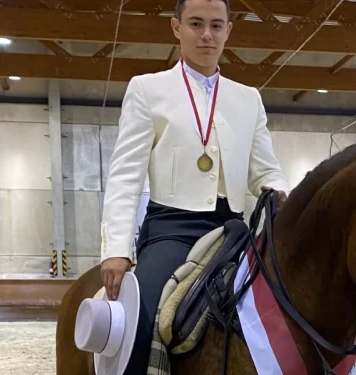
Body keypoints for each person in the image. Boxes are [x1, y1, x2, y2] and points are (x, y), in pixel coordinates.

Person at [98, 0, 290, 371]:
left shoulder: (248, 98)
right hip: (173, 230)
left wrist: (278, 189)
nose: (206, 35)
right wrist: (116, 249)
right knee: (140, 319)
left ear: (228, 31)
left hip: (235, 231)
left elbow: (265, 170)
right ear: (176, 27)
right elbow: (125, 174)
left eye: (216, 26)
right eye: (196, 24)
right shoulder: (147, 90)